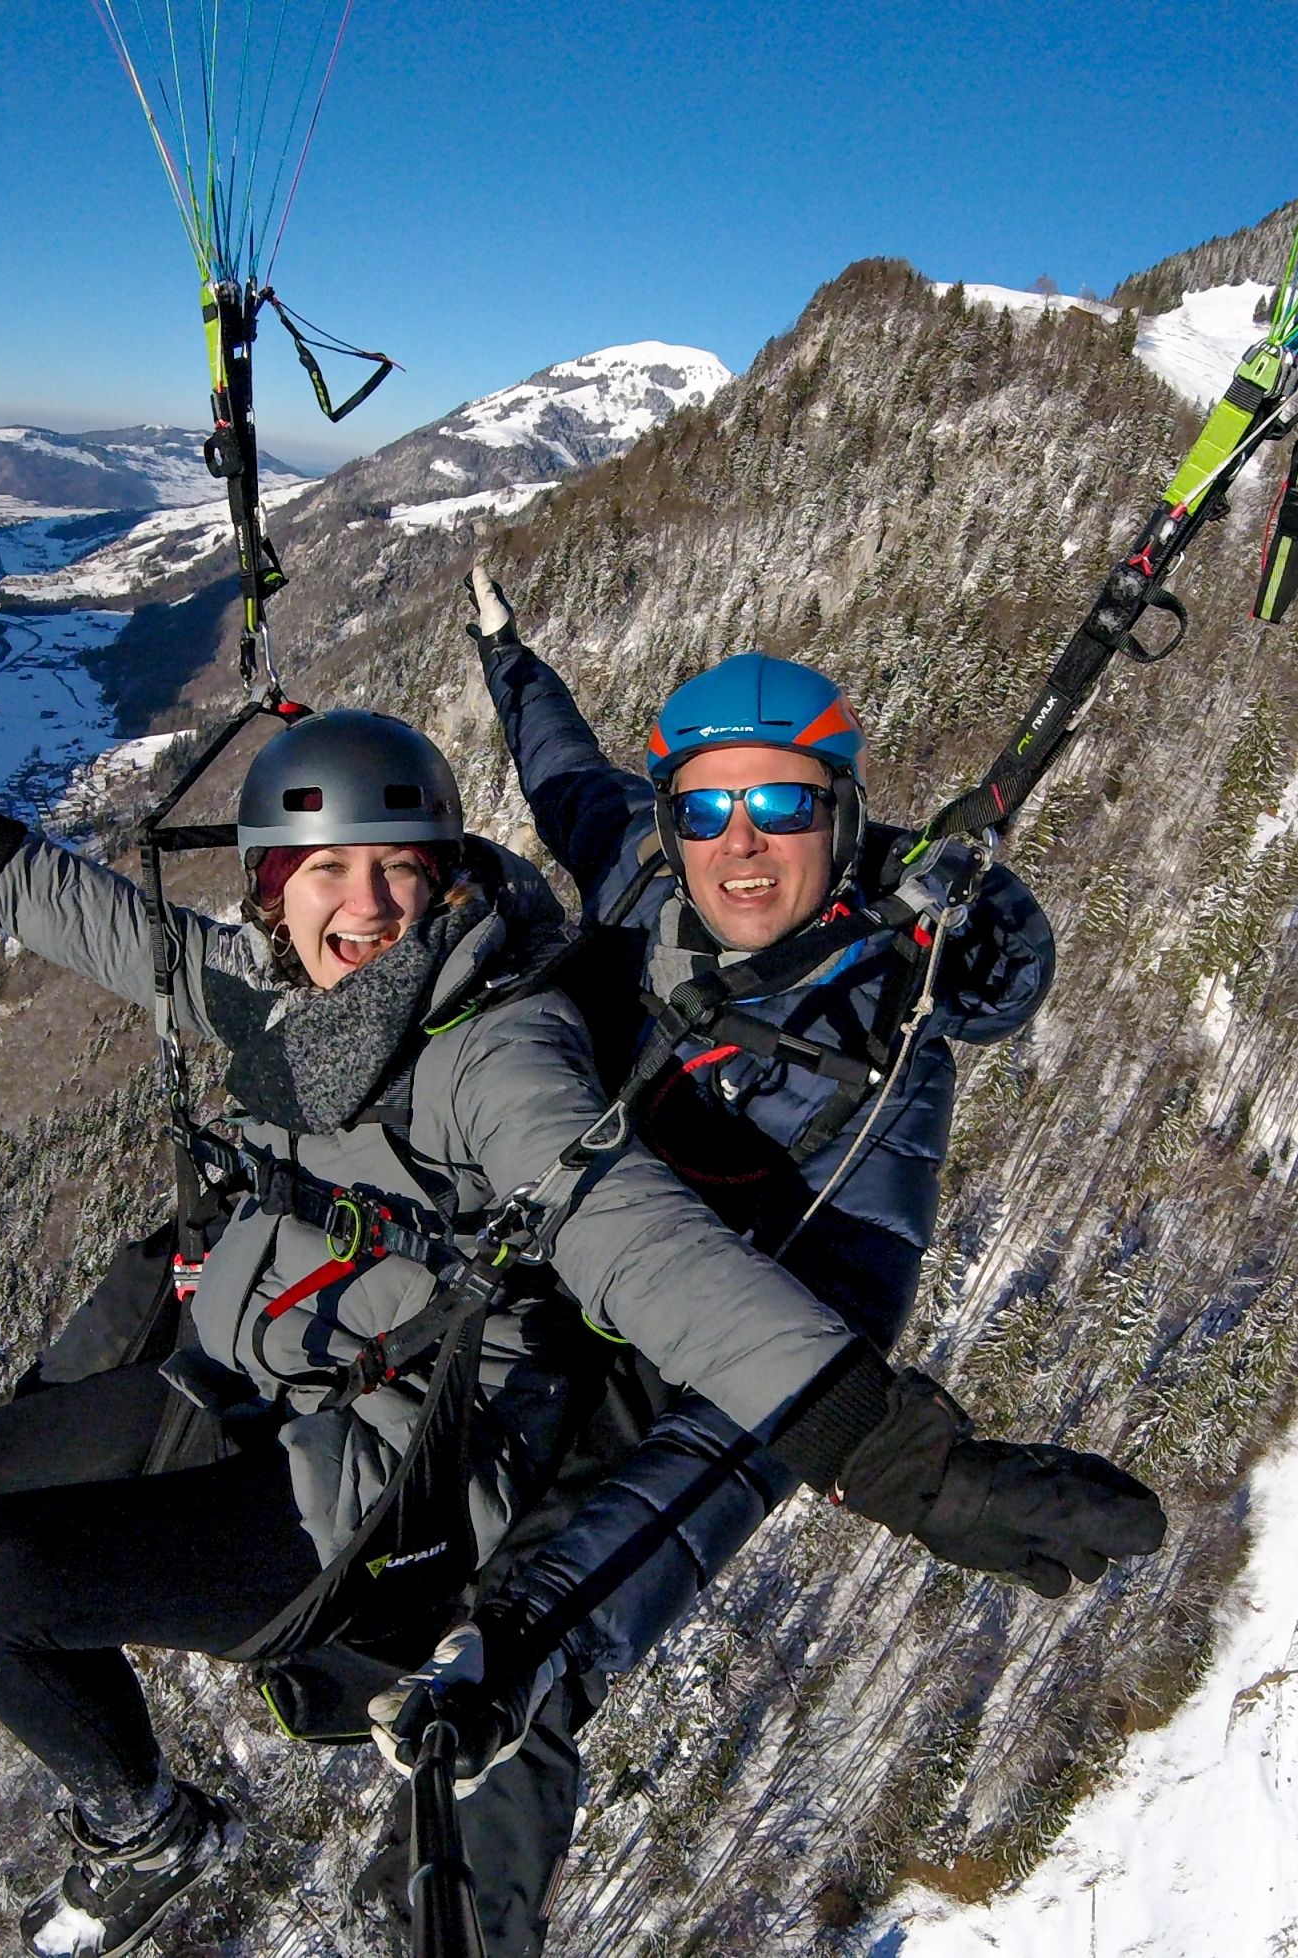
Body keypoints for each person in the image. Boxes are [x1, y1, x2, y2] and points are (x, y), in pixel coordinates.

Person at [0, 674, 1162, 1958]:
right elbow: (118, 931)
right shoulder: (278, 990)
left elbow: (647, 1251)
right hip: (262, 1372)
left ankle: (142, 1832)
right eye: (320, 873)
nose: (359, 905)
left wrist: (902, 1459)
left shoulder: (497, 1051)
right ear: (272, 891)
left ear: (443, 876)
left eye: (394, 871)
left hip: (375, 1495)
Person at [356, 570, 1094, 1952]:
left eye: (782, 807)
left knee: (497, 1654)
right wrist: (505, 650)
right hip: (519, 1287)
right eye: (706, 807)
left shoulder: (885, 1044)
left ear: (844, 815)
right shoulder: (639, 873)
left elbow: (790, 1371)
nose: (739, 846)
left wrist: (542, 1639)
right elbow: (562, 762)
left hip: (675, 1351)